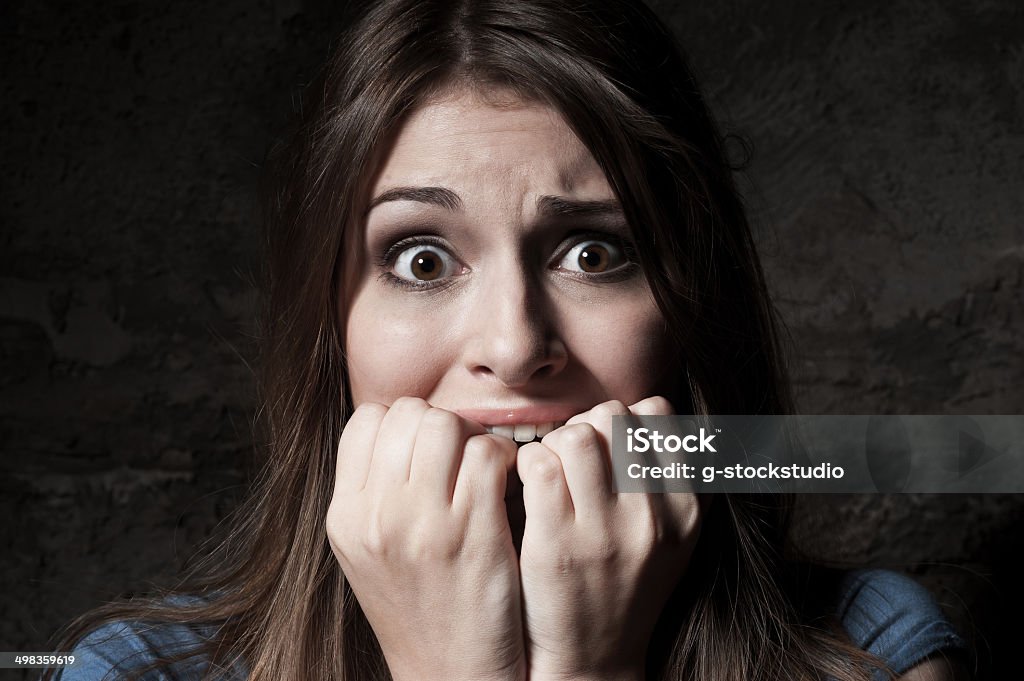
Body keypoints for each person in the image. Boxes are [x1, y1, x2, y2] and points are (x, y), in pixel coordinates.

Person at [46, 1, 968, 680]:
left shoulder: (873, 651)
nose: (515, 343)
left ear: (688, 307)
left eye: (594, 251)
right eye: (420, 260)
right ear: (335, 329)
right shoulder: (135, 672)